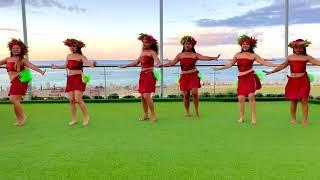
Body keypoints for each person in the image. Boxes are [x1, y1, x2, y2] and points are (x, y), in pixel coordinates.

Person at [214, 35, 278, 124]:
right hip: (241, 79)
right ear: (241, 45)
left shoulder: (253, 55)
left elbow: (264, 62)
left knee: (251, 97)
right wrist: (219, 68)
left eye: (247, 44)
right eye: (243, 44)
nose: (245, 45)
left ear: (250, 45)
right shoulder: (237, 55)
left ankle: (254, 117)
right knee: (240, 98)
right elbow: (230, 64)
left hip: (250, 77)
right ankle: (241, 117)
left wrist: (277, 65)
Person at [161, 35, 220, 118]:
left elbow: (204, 57)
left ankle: (196, 111)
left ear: (192, 45)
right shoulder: (180, 55)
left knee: (195, 93)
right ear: (183, 45)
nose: (187, 45)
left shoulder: (195, 54)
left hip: (193, 75)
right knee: (186, 95)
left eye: (189, 44)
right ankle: (187, 111)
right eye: (185, 44)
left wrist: (214, 58)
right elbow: (172, 63)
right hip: (184, 77)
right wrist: (163, 65)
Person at [264, 39, 320, 126]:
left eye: (300, 47)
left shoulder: (307, 57)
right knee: (293, 100)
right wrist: (271, 72)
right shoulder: (290, 57)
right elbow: (282, 66)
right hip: (292, 81)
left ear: (304, 48)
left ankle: (305, 120)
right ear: (293, 48)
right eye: (295, 47)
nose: (297, 49)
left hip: (303, 81)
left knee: (304, 100)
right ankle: (293, 119)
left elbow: (317, 62)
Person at [0, 38, 45, 126]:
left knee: (13, 99)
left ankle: (23, 116)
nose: (15, 50)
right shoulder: (8, 59)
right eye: (14, 48)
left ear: (21, 50)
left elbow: (31, 66)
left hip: (20, 80)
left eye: (17, 48)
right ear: (11, 49)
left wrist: (40, 71)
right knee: (14, 101)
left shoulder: (22, 60)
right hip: (13, 81)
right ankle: (18, 119)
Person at [51, 38, 96, 126]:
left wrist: (92, 65)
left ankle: (86, 117)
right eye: (71, 46)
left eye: (74, 46)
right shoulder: (68, 56)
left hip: (79, 78)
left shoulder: (81, 56)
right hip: (70, 79)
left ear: (78, 47)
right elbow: (65, 66)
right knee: (71, 100)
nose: (72, 48)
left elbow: (86, 63)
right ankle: (74, 119)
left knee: (78, 99)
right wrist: (56, 67)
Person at [119, 33, 161, 122]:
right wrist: (126, 66)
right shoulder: (143, 53)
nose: (145, 44)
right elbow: (136, 62)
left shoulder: (152, 52)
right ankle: (146, 114)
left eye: (147, 42)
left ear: (151, 44)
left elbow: (157, 61)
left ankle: (153, 114)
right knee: (142, 96)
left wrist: (157, 64)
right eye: (144, 42)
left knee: (147, 96)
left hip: (149, 75)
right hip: (142, 75)